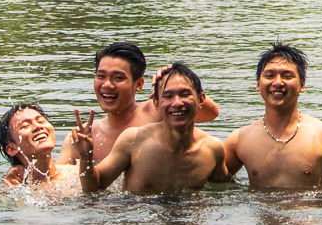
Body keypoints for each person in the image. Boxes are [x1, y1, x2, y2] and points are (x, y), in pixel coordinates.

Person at [224, 42, 322, 197]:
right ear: (258, 84)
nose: (277, 82)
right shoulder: (240, 140)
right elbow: (214, 182)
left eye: (287, 76)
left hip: (311, 218)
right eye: (269, 76)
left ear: (302, 85)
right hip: (260, 220)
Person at [69, 62, 231, 194]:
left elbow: (225, 190)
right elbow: (93, 189)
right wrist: (86, 157)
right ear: (156, 103)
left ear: (201, 99)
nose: (177, 103)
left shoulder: (212, 148)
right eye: (168, 96)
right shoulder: (133, 140)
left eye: (185, 94)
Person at [74, 41, 219, 163]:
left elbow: (211, 113)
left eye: (118, 78)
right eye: (101, 76)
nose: (107, 85)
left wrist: (175, 79)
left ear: (139, 84)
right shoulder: (84, 135)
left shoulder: (157, 110)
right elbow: (58, 179)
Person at [0, 103, 81, 196]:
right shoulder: (11, 190)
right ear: (11, 149)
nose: (38, 127)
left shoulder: (78, 174)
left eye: (41, 121)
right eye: (25, 126)